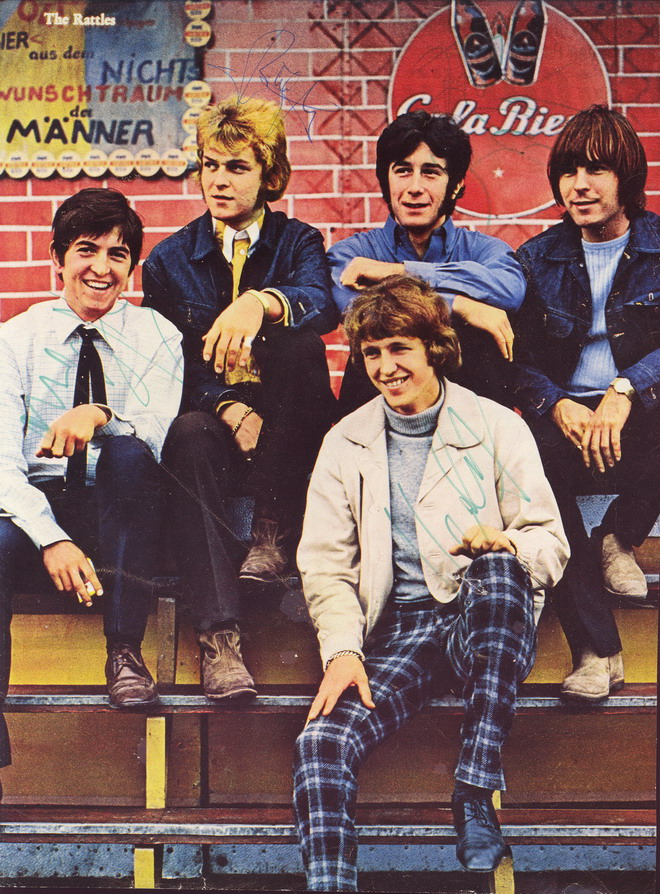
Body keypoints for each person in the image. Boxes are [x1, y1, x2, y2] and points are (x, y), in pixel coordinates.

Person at [293, 274, 568, 889]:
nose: (386, 367)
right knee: (320, 746)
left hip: (485, 623)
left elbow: (549, 540)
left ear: (434, 349)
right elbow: (326, 564)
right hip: (403, 632)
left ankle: (473, 787)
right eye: (372, 352)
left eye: (400, 348)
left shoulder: (496, 425)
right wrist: (342, 651)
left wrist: (506, 543)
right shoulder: (345, 441)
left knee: (498, 570)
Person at [142, 96, 338, 701]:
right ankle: (219, 640)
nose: (219, 181)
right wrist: (227, 405)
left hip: (291, 430)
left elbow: (323, 306)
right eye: (210, 165)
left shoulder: (298, 240)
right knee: (188, 433)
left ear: (269, 175)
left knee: (302, 346)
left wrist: (261, 301)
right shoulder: (170, 260)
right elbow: (166, 363)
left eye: (237, 167)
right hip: (217, 427)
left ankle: (271, 533)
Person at [0, 188, 183, 776]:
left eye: (118, 254)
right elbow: (2, 463)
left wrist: (99, 413)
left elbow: (159, 432)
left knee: (127, 453)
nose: (102, 268)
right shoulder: (15, 339)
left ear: (132, 265)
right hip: (43, 517)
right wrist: (51, 537)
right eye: (86, 250)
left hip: (125, 524)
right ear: (57, 257)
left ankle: (124, 652)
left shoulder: (158, 334)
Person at [513, 104, 660, 703]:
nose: (579, 185)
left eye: (596, 170)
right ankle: (596, 651)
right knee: (536, 472)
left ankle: (618, 535)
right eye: (569, 171)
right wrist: (554, 403)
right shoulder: (536, 258)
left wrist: (626, 389)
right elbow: (514, 359)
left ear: (628, 178)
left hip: (640, 420)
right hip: (566, 425)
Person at [327, 110, 526, 415]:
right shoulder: (351, 254)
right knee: (379, 338)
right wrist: (460, 304)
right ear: (386, 181)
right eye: (403, 171)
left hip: (470, 417)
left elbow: (510, 289)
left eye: (431, 172)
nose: (415, 187)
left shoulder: (483, 250)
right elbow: (355, 309)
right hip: (381, 413)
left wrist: (401, 271)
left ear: (455, 185)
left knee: (481, 341)